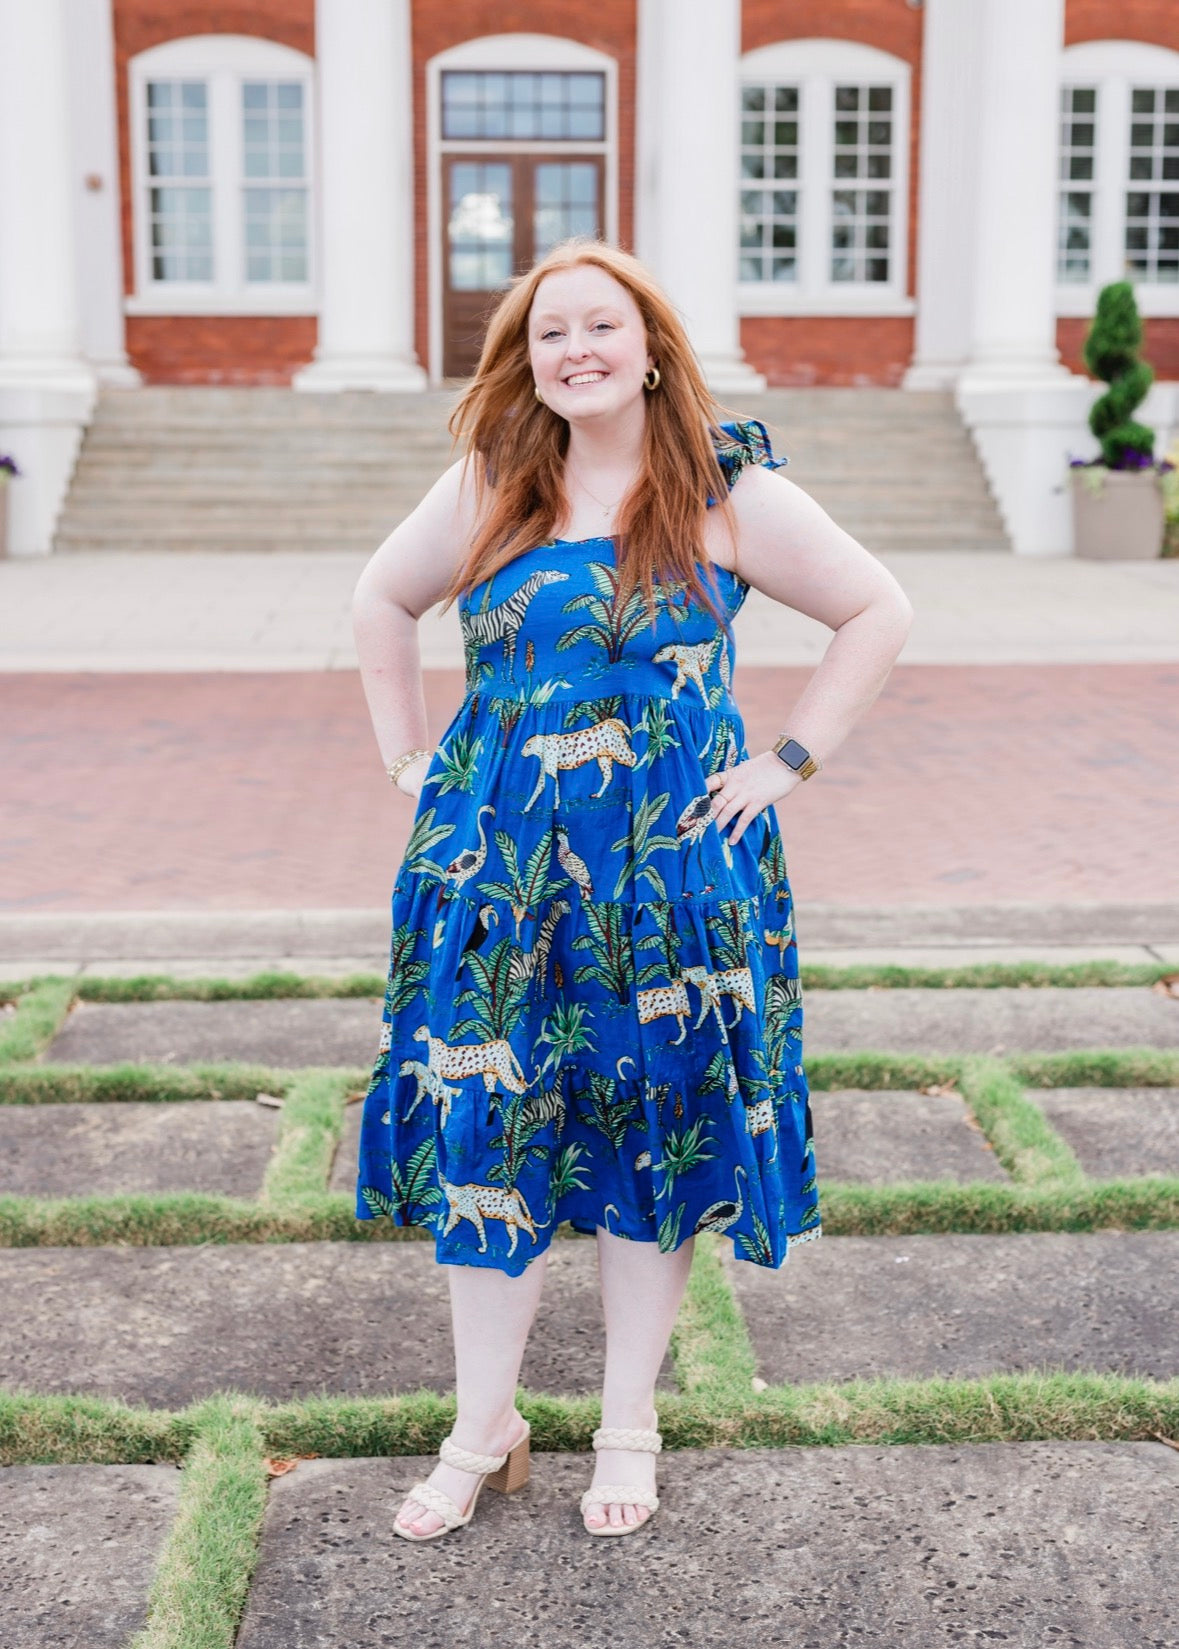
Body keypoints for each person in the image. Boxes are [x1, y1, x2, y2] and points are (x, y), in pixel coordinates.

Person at [351, 237, 913, 1541]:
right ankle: (482, 1425)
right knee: (486, 1139)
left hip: (668, 882)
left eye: (601, 325)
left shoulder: (724, 487)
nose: (577, 350)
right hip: (496, 874)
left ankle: (626, 1423)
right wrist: (408, 760)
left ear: (651, 346)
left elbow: (877, 609)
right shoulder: (494, 480)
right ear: (527, 359)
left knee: (646, 1133)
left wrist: (787, 760)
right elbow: (381, 599)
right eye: (550, 333)